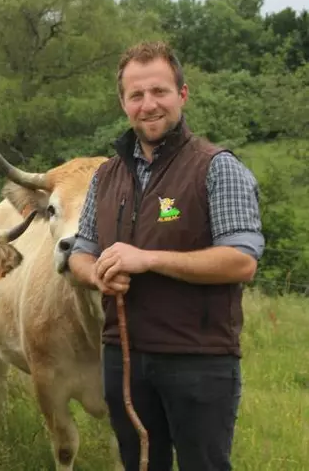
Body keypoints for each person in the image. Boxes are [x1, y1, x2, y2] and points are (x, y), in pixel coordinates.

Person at [67, 40, 264, 471]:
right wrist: (98, 273)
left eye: (159, 91)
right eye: (136, 95)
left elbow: (242, 260)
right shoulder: (106, 176)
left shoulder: (216, 167)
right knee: (137, 464)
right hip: (123, 359)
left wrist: (149, 259)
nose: (148, 104)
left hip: (199, 359)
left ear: (183, 94)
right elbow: (80, 254)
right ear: (123, 103)